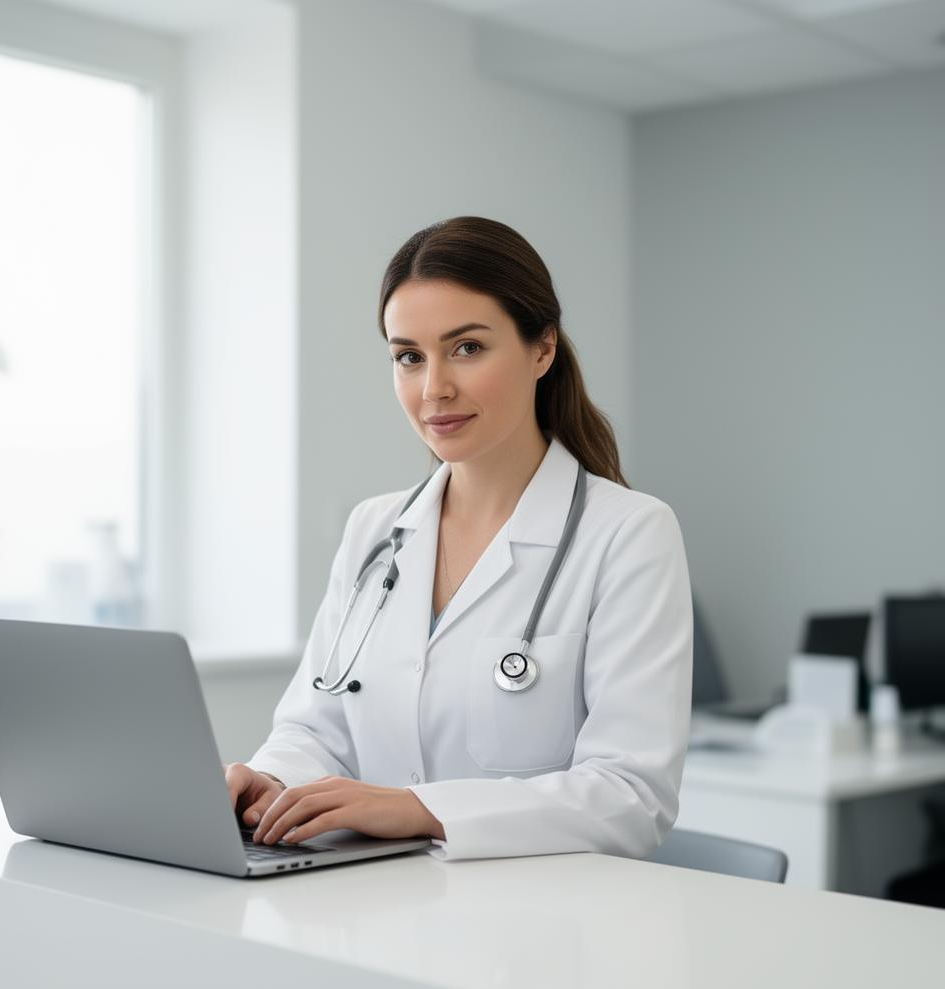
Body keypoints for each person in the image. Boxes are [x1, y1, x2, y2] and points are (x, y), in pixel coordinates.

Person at [225, 216, 692, 861]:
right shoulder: (375, 529)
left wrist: (419, 810)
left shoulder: (629, 534)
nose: (433, 388)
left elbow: (631, 796)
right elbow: (315, 728)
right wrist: (272, 780)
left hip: (542, 931)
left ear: (542, 349)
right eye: (408, 357)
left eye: (467, 348)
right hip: (370, 906)